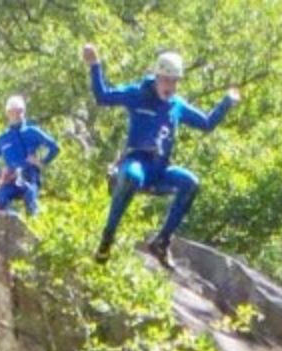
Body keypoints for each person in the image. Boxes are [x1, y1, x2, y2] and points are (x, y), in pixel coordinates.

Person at [82, 44, 240, 267]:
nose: (170, 86)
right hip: (137, 162)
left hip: (160, 169)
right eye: (166, 80)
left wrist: (227, 102)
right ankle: (107, 238)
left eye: (175, 81)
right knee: (132, 176)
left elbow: (206, 123)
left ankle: (162, 241)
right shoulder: (137, 95)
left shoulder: (177, 105)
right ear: (157, 77)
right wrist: (94, 65)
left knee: (191, 183)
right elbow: (103, 96)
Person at [0, 95, 60, 216]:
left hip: (29, 176)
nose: (17, 114)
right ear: (8, 113)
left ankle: (33, 222)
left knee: (30, 198)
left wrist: (41, 162)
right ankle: (13, 220)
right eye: (14, 111)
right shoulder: (3, 138)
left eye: (20, 111)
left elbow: (54, 147)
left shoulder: (32, 132)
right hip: (11, 178)